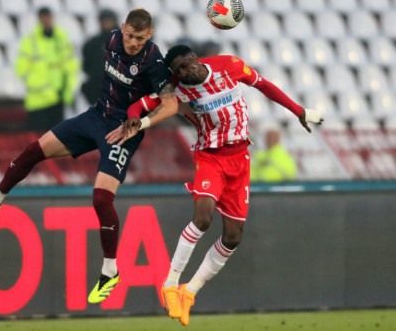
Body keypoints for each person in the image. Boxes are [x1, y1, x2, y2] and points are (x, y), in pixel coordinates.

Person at [0, 8, 178, 304]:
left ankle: (110, 271)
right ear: (121, 28)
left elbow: (171, 105)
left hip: (124, 130)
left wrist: (142, 122)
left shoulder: (154, 61)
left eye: (140, 38)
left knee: (101, 199)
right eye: (129, 35)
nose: (133, 42)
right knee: (35, 150)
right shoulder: (111, 41)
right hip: (95, 116)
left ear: (149, 35)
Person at [107, 44, 323, 325]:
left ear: (196, 59)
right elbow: (140, 104)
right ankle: (170, 284)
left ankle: (189, 292)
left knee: (233, 237)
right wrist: (134, 116)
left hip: (240, 159)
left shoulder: (229, 65)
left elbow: (264, 85)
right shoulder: (174, 88)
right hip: (210, 158)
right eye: (179, 70)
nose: (185, 72)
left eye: (187, 65)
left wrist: (298, 110)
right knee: (203, 217)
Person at [15, 7, 79, 131]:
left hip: (58, 98)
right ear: (39, 19)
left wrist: (68, 90)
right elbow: (22, 70)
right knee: (38, 143)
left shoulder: (61, 38)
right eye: (43, 17)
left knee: (55, 142)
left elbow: (70, 65)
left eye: (48, 17)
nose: (46, 21)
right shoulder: (30, 41)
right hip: (38, 100)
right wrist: (44, 88)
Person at [81, 8, 119, 105]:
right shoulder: (92, 43)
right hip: (99, 88)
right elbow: (87, 67)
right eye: (104, 21)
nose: (106, 24)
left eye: (109, 21)